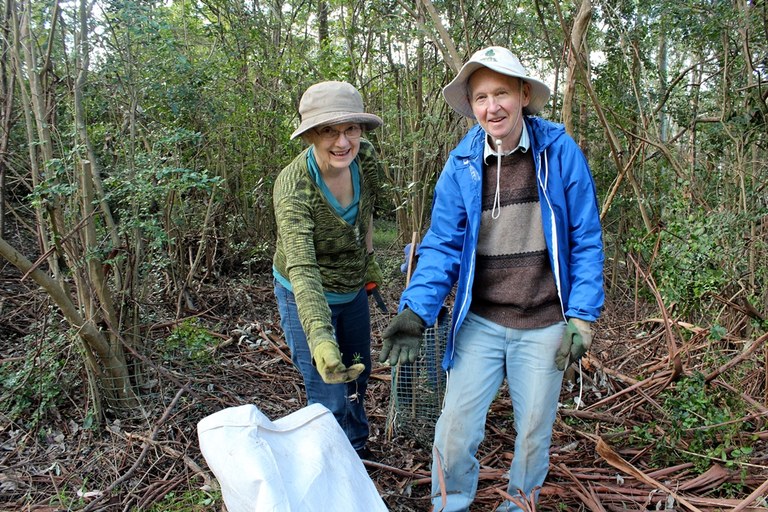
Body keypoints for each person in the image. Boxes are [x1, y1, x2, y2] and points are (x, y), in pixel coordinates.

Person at [379, 46, 605, 511]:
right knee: (455, 428)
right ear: (472, 105)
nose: (492, 106)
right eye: (481, 97)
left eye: (501, 93)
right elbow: (442, 245)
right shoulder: (461, 163)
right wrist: (415, 309)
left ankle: (520, 504)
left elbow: (585, 237)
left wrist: (582, 316)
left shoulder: (559, 152)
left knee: (533, 434)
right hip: (479, 322)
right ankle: (451, 502)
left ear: (523, 95)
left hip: (543, 323)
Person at [272, 80, 384, 459]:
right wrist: (320, 337)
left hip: (352, 288)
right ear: (310, 136)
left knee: (358, 372)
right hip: (304, 291)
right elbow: (303, 268)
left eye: (350, 129)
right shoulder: (293, 187)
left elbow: (368, 210)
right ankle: (332, 466)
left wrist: (368, 261)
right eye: (329, 130)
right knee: (328, 391)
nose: (342, 142)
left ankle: (356, 449)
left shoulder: (364, 158)